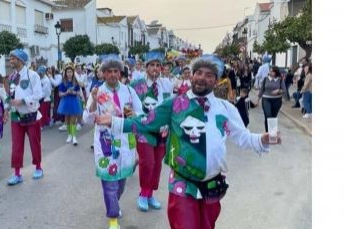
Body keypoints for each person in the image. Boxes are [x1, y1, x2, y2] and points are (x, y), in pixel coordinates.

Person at [96, 54, 281, 229]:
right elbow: (145, 121)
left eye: (209, 75)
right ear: (191, 76)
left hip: (212, 185)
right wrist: (114, 122)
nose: (202, 78)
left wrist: (262, 139)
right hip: (182, 184)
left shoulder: (226, 108)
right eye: (198, 73)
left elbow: (243, 137)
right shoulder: (175, 104)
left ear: (216, 81)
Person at [82, 54, 142, 229]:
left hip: (125, 141)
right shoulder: (97, 92)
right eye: (109, 71)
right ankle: (113, 218)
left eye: (116, 71)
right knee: (109, 180)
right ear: (103, 73)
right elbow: (86, 119)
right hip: (106, 141)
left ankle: (115, 203)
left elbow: (141, 113)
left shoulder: (129, 91)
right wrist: (93, 101)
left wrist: (134, 115)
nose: (113, 74)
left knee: (121, 179)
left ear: (121, 72)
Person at [129, 51, 168, 212]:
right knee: (148, 162)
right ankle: (143, 194)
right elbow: (130, 105)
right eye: (152, 65)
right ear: (146, 67)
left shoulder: (166, 84)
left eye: (158, 65)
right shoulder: (137, 85)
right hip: (144, 129)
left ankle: (150, 193)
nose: (155, 68)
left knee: (157, 164)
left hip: (162, 131)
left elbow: (172, 104)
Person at [4, 49, 44, 185]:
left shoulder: (32, 75)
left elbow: (39, 94)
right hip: (16, 116)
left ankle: (38, 167)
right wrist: (6, 108)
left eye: (12, 58)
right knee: (16, 145)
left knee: (35, 143)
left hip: (31, 115)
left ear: (20, 60)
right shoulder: (11, 77)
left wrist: (22, 101)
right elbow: (10, 96)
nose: (10, 61)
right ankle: (17, 174)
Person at [57, 65, 83, 145]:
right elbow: (60, 94)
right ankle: (69, 135)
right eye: (68, 72)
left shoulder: (75, 82)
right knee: (67, 120)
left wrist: (74, 92)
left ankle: (74, 136)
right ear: (65, 73)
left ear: (73, 73)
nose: (69, 73)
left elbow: (79, 92)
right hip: (65, 102)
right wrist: (66, 92)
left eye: (71, 72)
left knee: (73, 120)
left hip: (74, 102)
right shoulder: (63, 83)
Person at [257, 66, 286, 132]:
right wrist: (258, 100)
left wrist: (278, 91)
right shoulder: (265, 79)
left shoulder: (280, 79)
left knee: (273, 117)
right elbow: (261, 90)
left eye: (272, 71)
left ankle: (272, 132)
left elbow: (284, 90)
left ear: (275, 72)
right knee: (268, 115)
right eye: (270, 71)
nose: (270, 72)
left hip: (277, 100)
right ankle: (268, 132)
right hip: (266, 99)